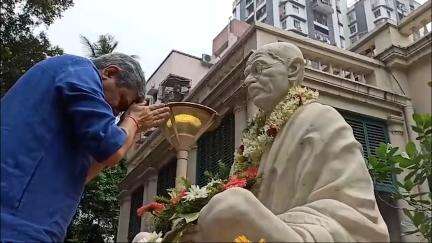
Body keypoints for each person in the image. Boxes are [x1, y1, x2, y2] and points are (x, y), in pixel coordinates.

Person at [183, 42, 389, 242]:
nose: (248, 81)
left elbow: (353, 213)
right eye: (247, 75)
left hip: (311, 232)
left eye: (259, 68)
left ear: (293, 69)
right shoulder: (251, 141)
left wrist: (259, 220)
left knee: (232, 205)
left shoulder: (320, 119)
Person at [1, 53, 171, 242]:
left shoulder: (70, 117)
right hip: (17, 221)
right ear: (110, 72)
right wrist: (133, 120)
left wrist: (129, 125)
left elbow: (83, 174)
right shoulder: (81, 71)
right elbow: (111, 149)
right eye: (121, 102)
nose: (114, 113)